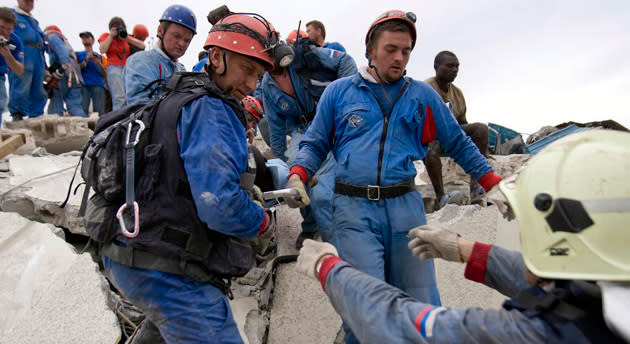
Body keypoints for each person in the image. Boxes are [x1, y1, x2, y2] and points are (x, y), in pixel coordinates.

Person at [285, 10, 501, 344]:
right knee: (365, 308)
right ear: (371, 49)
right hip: (354, 210)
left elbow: (459, 142)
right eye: (391, 50)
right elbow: (314, 142)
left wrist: (493, 184)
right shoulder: (339, 93)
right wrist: (298, 174)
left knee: (422, 307)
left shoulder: (422, 96)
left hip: (405, 210)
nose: (400, 58)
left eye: (406, 51)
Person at [295, 129, 630, 344]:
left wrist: (329, 268)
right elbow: (560, 284)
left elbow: (399, 324)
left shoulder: (535, 335)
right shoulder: (608, 286)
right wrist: (467, 249)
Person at [99, 9, 283, 343]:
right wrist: (263, 224)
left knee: (163, 327)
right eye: (247, 70)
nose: (252, 84)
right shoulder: (212, 108)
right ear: (216, 57)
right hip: (165, 268)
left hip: (129, 253)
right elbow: (220, 205)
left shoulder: (179, 96)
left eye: (259, 75)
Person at [259, 30, 357, 248]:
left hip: (329, 121)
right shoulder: (267, 85)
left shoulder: (306, 56)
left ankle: (337, 242)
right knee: (298, 182)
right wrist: (284, 162)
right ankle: (310, 226)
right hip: (301, 131)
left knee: (322, 193)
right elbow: (275, 128)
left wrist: (345, 100)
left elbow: (346, 61)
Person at [424, 50, 490, 209]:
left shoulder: (457, 93)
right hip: (430, 134)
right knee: (431, 146)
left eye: (457, 67)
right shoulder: (426, 89)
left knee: (480, 129)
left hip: (451, 134)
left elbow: (462, 122)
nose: (454, 70)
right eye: (449, 66)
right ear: (436, 66)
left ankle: (475, 187)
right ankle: (441, 197)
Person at [123, 5, 195, 106]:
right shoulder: (141, 61)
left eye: (187, 40)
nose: (182, 44)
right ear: (160, 31)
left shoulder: (181, 69)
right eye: (177, 36)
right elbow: (140, 109)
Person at [8, 0, 46, 120]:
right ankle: (17, 114)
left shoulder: (34, 21)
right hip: (23, 52)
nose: (29, 3)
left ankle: (36, 114)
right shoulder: (12, 15)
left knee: (39, 86)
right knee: (21, 82)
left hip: (38, 55)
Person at [99, 16, 145, 110]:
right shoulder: (106, 36)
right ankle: (118, 120)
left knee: (129, 96)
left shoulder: (126, 37)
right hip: (113, 67)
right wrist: (111, 36)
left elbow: (142, 46)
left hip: (127, 68)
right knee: (119, 97)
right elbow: (102, 50)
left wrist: (126, 38)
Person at [44, 25, 85, 117]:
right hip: (76, 76)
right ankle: (83, 126)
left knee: (56, 99)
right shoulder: (66, 43)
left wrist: (64, 66)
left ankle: (53, 125)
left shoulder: (53, 36)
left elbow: (61, 51)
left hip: (63, 74)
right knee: (74, 105)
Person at [0, 7, 24, 115]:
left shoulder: (15, 41)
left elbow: (19, 70)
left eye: (9, 29)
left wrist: (7, 55)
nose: (5, 32)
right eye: (1, 27)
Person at [76, 31, 106, 115]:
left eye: (87, 37)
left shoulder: (100, 57)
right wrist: (86, 59)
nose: (85, 39)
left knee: (99, 111)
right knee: (83, 109)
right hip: (84, 85)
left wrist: (98, 63)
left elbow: (105, 74)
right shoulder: (78, 54)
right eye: (83, 38)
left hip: (98, 85)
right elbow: (76, 69)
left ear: (93, 40)